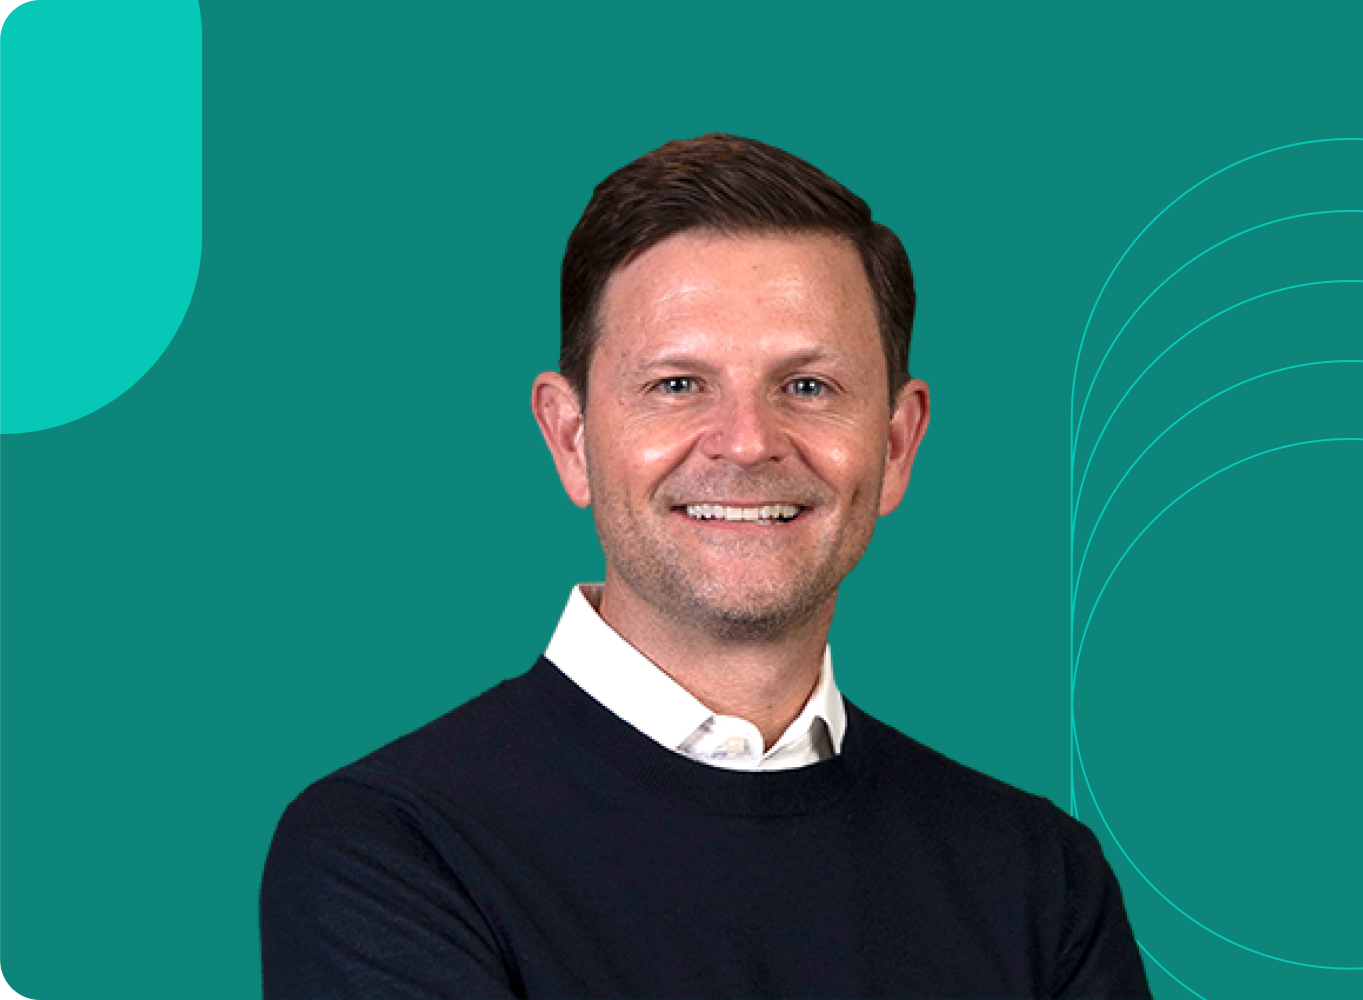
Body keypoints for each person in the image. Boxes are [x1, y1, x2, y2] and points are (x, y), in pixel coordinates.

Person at [260, 133, 1153, 999]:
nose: (747, 442)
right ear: (570, 438)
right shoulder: (393, 848)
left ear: (895, 443)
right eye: (677, 385)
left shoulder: (1039, 877)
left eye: (807, 386)